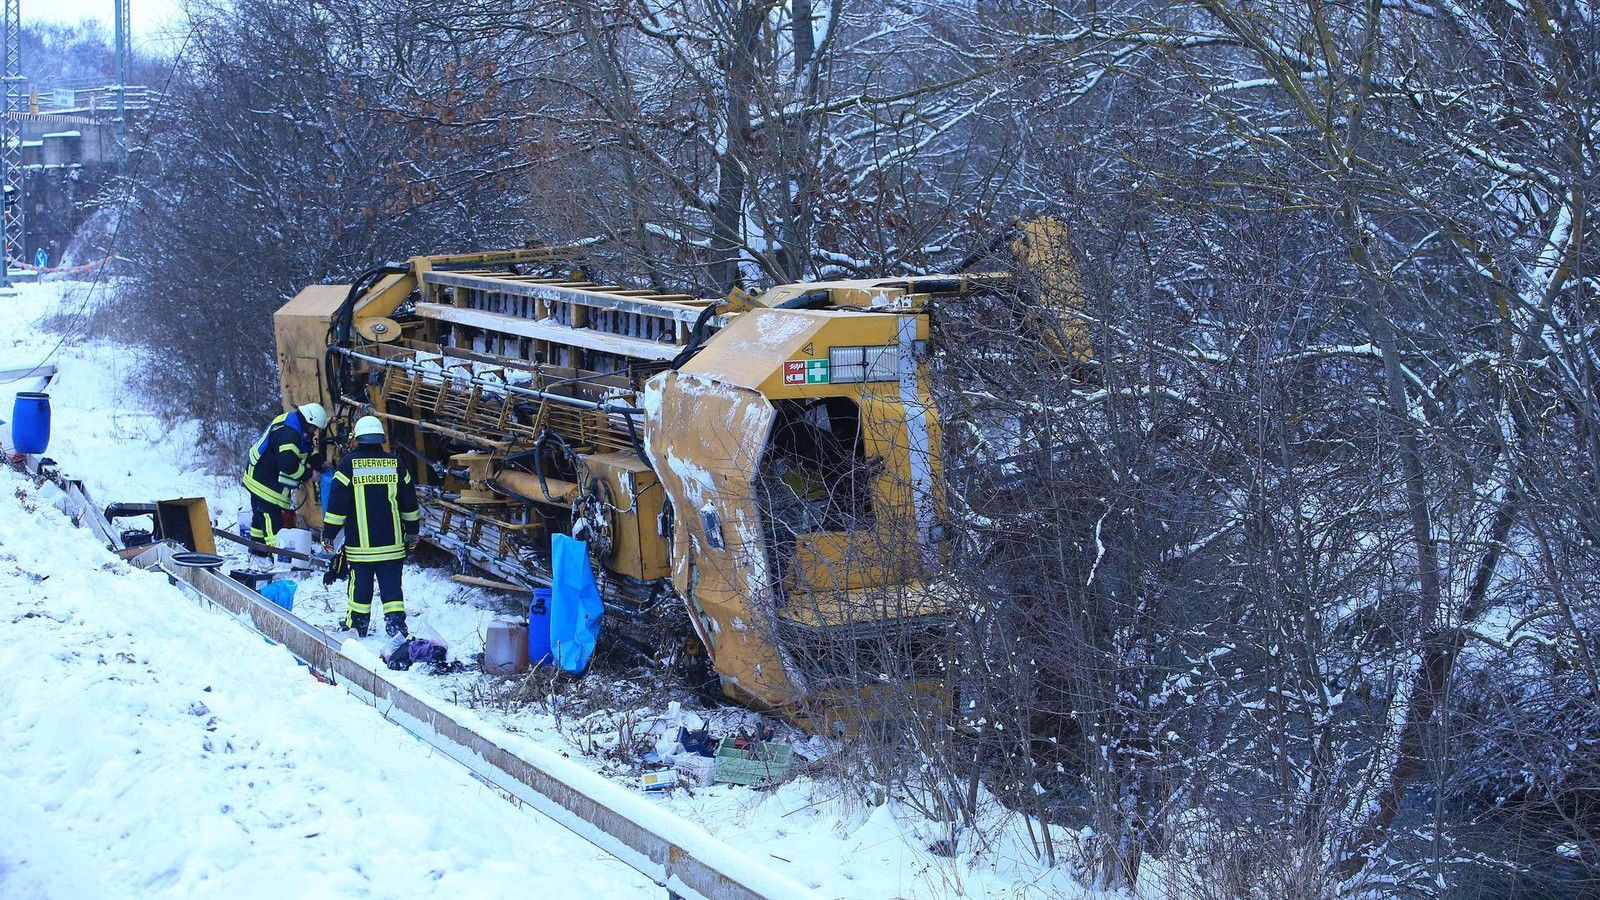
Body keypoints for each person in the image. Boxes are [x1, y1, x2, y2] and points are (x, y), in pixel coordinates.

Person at [321, 415, 421, 638]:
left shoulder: (348, 465)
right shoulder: (395, 464)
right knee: (392, 589)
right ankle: (396, 625)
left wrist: (328, 534)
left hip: (361, 548)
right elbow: (409, 502)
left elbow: (337, 505)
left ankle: (357, 626)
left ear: (356, 439)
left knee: (360, 589)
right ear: (381, 439)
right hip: (392, 545)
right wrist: (412, 531)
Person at [242, 401, 328, 554]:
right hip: (265, 483)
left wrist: (321, 463)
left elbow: (306, 450)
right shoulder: (290, 434)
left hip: (258, 475)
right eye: (314, 428)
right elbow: (288, 466)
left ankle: (257, 551)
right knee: (271, 520)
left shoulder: (294, 424)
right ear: (308, 420)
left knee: (258, 518)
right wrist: (310, 474)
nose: (315, 432)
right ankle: (276, 555)